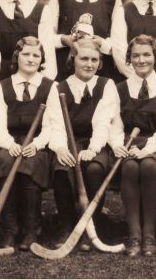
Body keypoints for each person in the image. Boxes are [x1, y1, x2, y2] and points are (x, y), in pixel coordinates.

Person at [0, 36, 69, 250]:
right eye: (26, 54)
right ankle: (10, 228)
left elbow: (53, 124)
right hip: (9, 142)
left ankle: (32, 228)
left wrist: (38, 144)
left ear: (42, 59)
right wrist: (8, 144)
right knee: (6, 162)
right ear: (17, 56)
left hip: (38, 143)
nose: (31, 59)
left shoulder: (50, 87)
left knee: (30, 165)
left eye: (36, 55)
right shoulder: (2, 86)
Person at [109, 34, 156, 257]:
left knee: (148, 166)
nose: (141, 60)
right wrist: (118, 145)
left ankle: (149, 234)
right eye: (135, 55)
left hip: (154, 145)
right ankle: (134, 235)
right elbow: (114, 125)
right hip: (127, 145)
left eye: (146, 55)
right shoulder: (118, 89)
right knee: (129, 167)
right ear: (129, 59)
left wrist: (145, 150)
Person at [52, 38, 118, 251]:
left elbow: (103, 121)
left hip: (95, 142)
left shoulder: (106, 85)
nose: (89, 64)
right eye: (84, 59)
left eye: (94, 60)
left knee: (94, 169)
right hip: (68, 142)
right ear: (73, 59)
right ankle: (66, 225)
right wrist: (61, 148)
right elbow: (55, 124)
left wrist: (93, 149)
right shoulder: (59, 87)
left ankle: (92, 225)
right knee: (62, 169)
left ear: (100, 63)